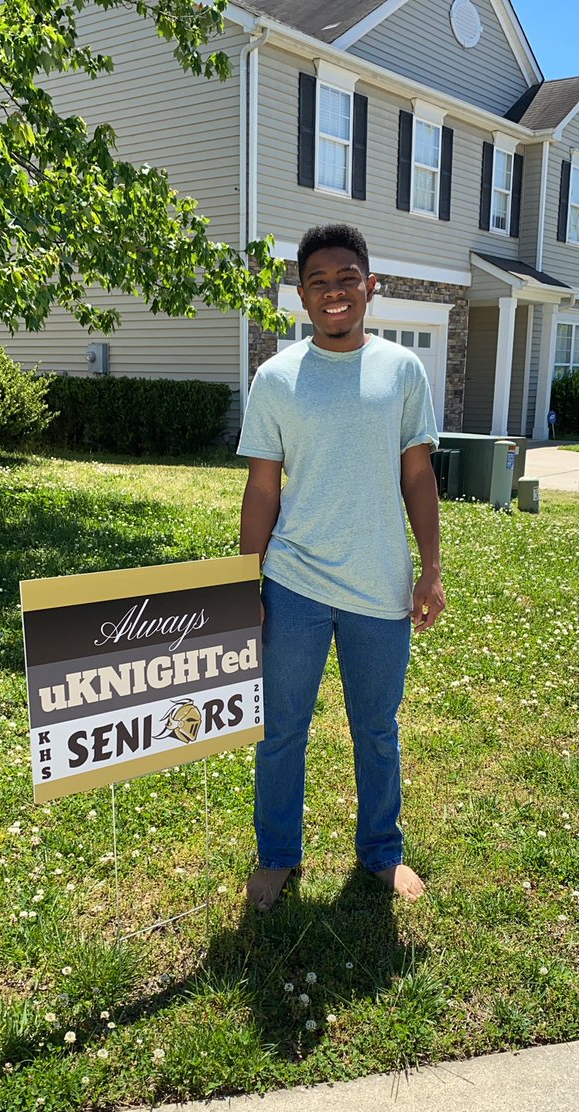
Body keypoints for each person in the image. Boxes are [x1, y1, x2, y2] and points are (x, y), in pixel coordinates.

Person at [237, 223, 445, 912]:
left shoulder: (401, 371)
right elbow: (263, 487)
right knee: (280, 729)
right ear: (301, 295)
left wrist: (430, 569)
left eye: (346, 278)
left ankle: (381, 853)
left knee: (376, 730)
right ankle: (277, 855)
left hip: (379, 585)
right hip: (293, 583)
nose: (334, 291)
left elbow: (417, 476)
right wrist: (247, 583)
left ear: (369, 286)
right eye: (319, 281)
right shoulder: (276, 378)